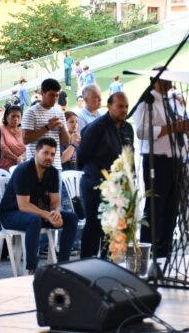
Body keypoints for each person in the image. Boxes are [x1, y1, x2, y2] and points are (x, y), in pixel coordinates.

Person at [133, 68, 189, 261]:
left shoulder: (174, 101)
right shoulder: (147, 101)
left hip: (176, 160)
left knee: (171, 207)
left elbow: (181, 127)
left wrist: (185, 130)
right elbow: (141, 131)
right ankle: (147, 254)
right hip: (156, 161)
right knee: (155, 208)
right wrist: (170, 128)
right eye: (168, 79)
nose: (171, 82)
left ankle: (164, 252)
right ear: (156, 80)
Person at [0, 137, 78, 274]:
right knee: (34, 220)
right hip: (11, 214)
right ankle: (31, 269)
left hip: (37, 214)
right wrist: (48, 215)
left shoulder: (51, 172)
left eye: (52, 154)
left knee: (71, 218)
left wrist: (56, 213)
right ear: (35, 152)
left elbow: (54, 201)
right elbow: (23, 206)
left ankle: (63, 265)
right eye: (45, 153)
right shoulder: (23, 171)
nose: (49, 157)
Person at [77, 92, 134, 257]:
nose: (124, 110)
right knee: (95, 225)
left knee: (113, 225)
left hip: (118, 185)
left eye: (126, 106)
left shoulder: (127, 128)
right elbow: (81, 156)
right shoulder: (96, 127)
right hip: (96, 182)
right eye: (120, 106)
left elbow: (130, 157)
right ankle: (86, 264)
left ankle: (107, 261)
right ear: (109, 106)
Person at [21, 79, 70, 170]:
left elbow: (66, 142)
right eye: (51, 95)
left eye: (57, 95)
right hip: (35, 167)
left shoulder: (59, 112)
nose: (55, 99)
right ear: (42, 93)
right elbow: (25, 139)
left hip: (55, 166)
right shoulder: (31, 112)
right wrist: (47, 127)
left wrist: (62, 128)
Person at [0, 106, 26, 171]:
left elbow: (29, 147)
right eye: (13, 116)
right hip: (6, 168)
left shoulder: (24, 130)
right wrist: (17, 159)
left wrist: (21, 159)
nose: (16, 119)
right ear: (6, 117)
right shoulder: (1, 129)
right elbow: (3, 148)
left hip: (24, 165)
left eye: (18, 116)